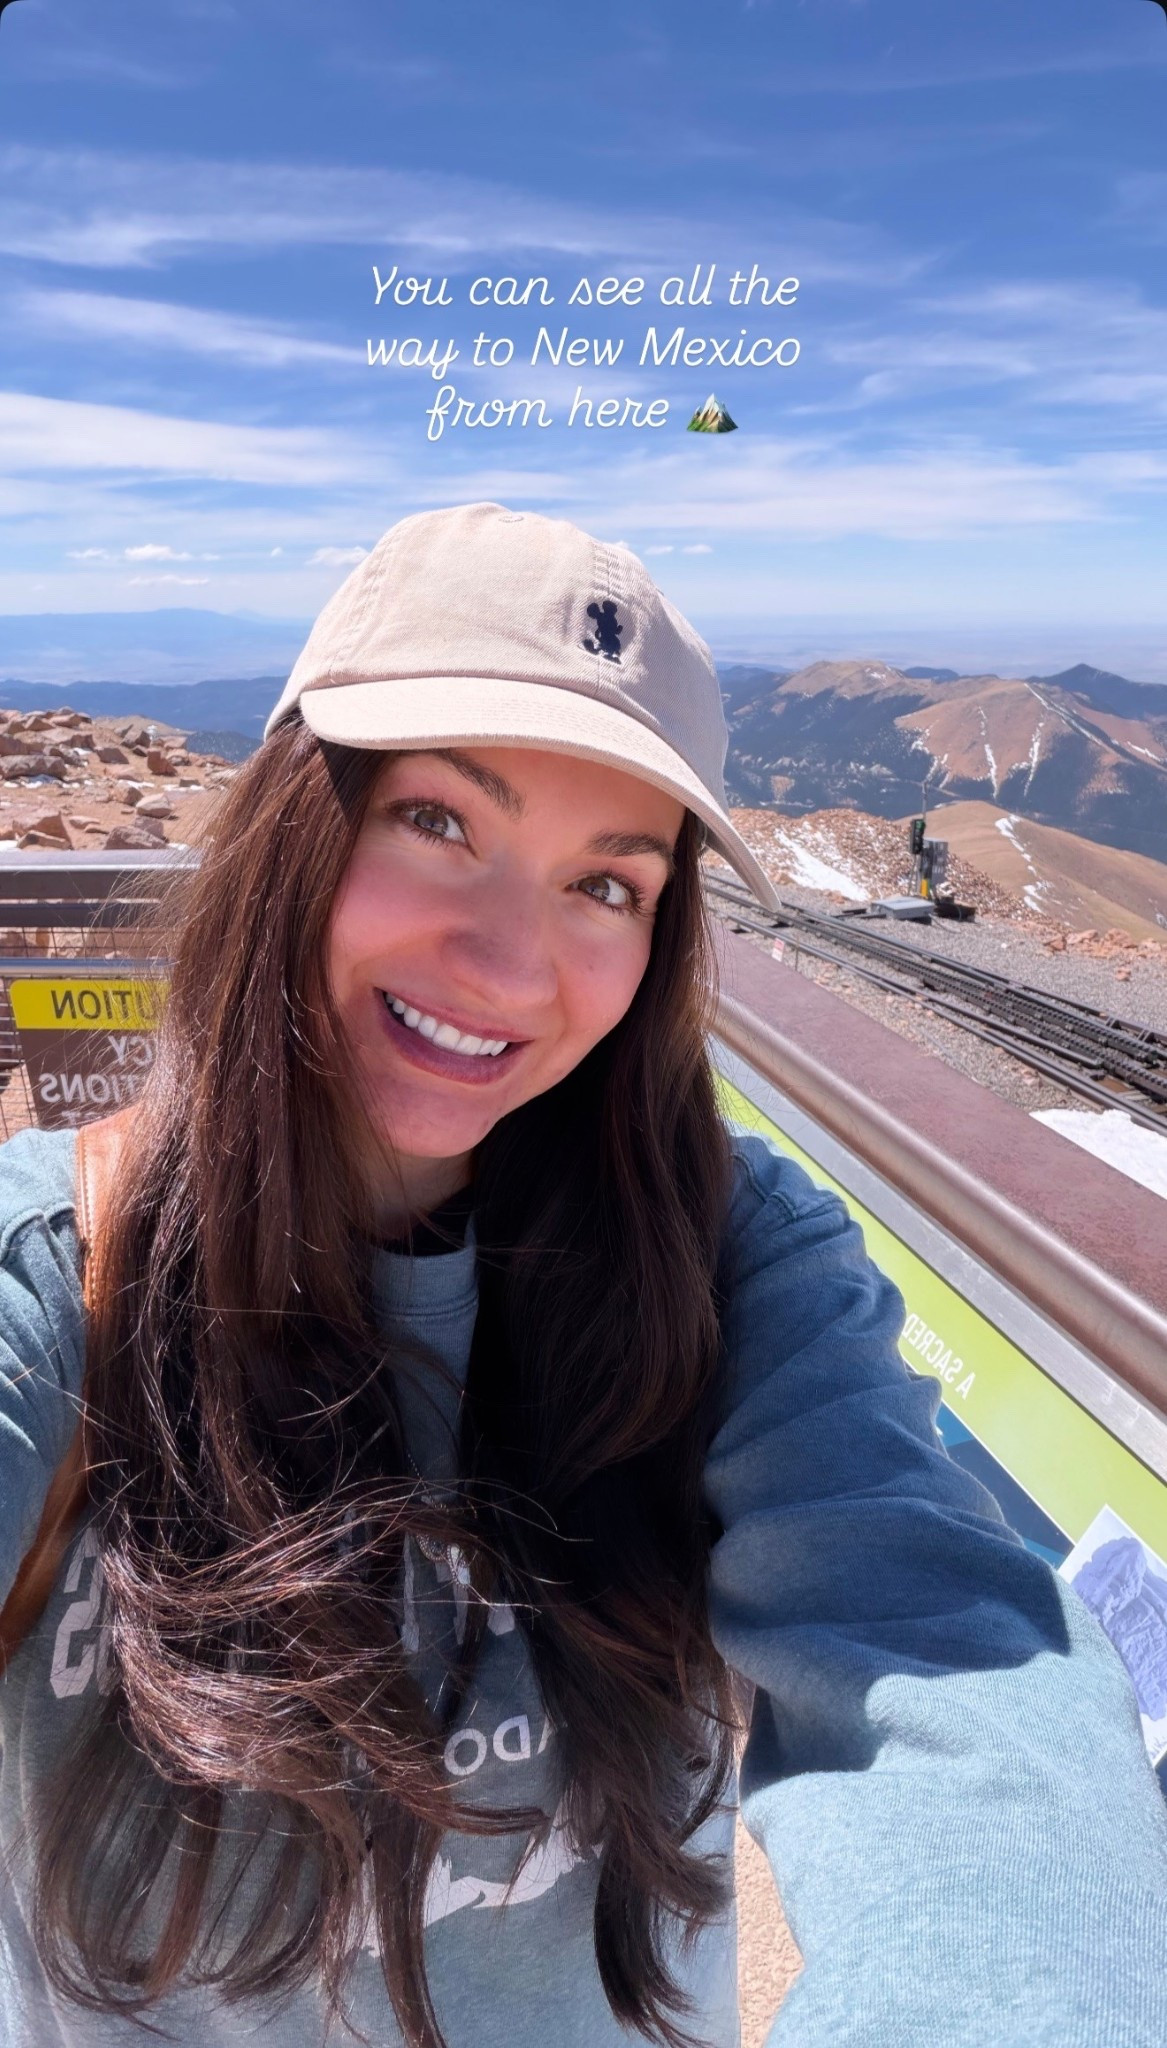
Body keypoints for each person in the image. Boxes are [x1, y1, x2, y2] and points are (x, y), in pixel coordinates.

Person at [0, 502, 1163, 2048]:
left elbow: (950, 1650)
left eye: (606, 884)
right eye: (437, 822)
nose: (507, 965)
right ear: (298, 821)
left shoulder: (729, 1261)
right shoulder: (59, 1288)